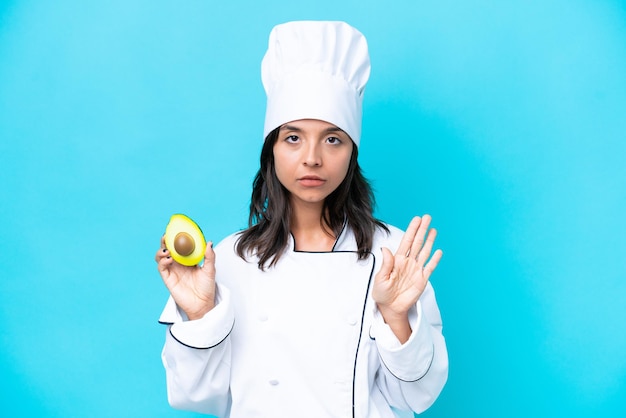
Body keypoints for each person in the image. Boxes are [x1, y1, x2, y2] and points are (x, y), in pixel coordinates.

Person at [155, 21, 448, 418]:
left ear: (352, 152)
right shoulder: (228, 259)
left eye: (332, 139)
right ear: (271, 149)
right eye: (293, 137)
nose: (312, 157)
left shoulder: (393, 254)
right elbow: (194, 397)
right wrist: (201, 315)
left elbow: (415, 397)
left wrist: (397, 318)